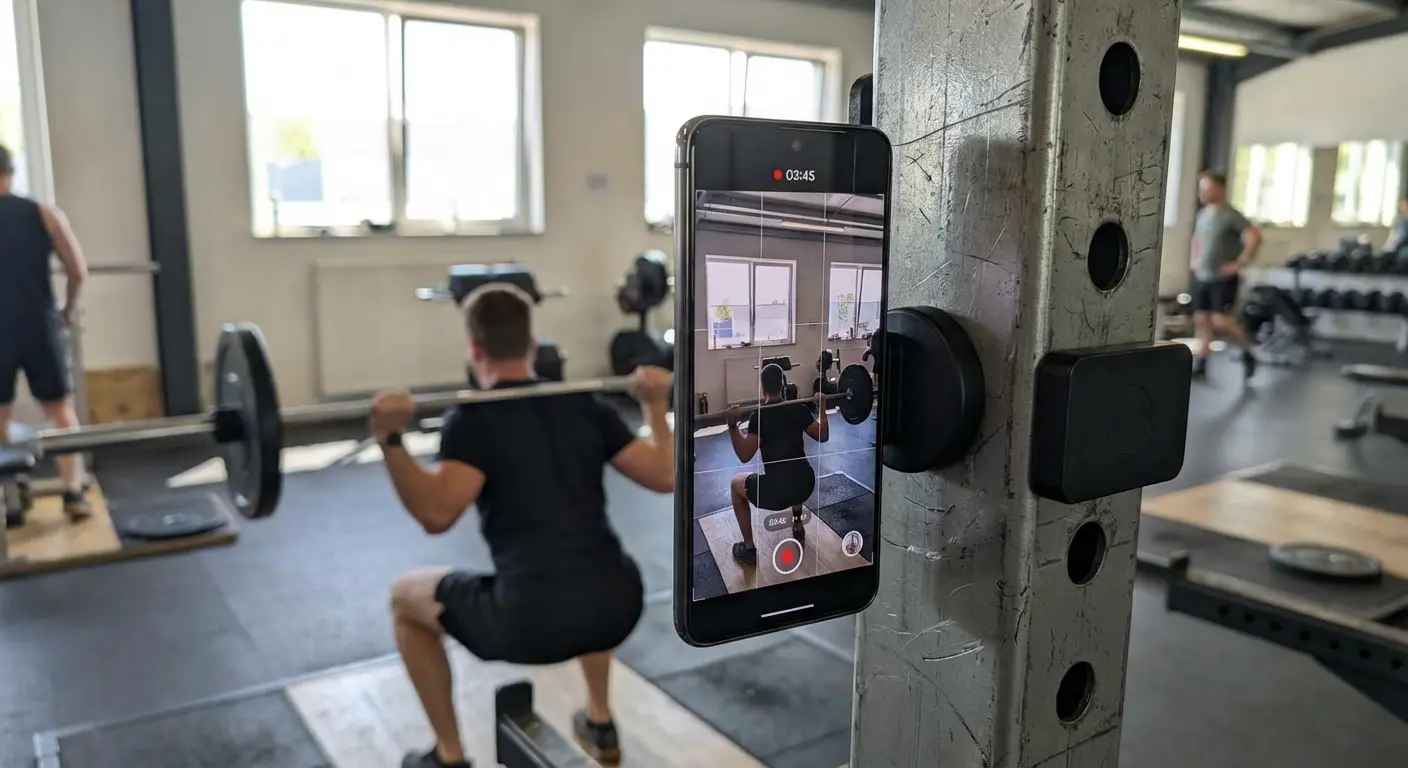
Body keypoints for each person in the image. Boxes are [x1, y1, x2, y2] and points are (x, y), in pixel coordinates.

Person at [371, 284, 673, 768]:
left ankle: (448, 757)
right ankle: (600, 721)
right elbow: (666, 472)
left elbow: (435, 513)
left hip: (527, 623)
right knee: (591, 569)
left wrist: (389, 438)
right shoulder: (582, 403)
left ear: (474, 347)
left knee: (405, 599)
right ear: (533, 343)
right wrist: (656, 406)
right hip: (618, 604)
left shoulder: (473, 420)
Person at [0, 143, 90, 519]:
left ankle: (11, 501)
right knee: (61, 412)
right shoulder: (43, 213)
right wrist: (67, 309)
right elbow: (77, 270)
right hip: (39, 323)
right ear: (11, 171)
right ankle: (73, 492)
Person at [725, 364, 827, 566]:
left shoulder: (759, 417)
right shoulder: (799, 409)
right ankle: (797, 525)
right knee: (793, 470)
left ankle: (748, 548)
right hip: (805, 484)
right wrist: (822, 409)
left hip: (777, 493)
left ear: (762, 387)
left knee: (735, 485)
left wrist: (732, 426)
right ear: (783, 385)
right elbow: (823, 435)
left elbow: (745, 455)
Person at [1189, 169, 1262, 381]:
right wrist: (1194, 260)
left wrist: (1239, 264)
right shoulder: (1203, 214)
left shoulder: (1231, 215)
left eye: (1207, 188)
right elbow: (1197, 238)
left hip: (1223, 278)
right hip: (1203, 276)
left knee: (1221, 322)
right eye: (1202, 188)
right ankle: (1202, 365)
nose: (1202, 193)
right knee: (1202, 319)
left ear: (1220, 189)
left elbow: (1254, 237)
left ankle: (1248, 352)